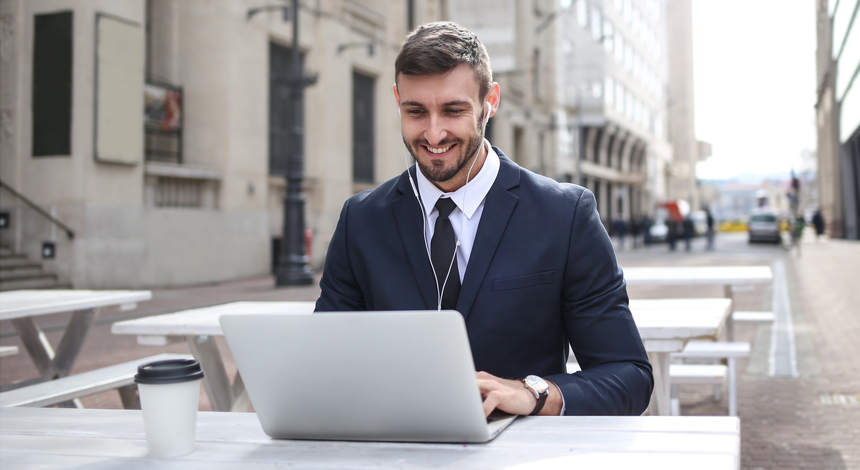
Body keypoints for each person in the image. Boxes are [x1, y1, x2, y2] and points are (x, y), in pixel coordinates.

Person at [315, 22, 652, 417]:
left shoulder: (565, 215)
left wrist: (533, 394)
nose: (434, 133)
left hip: (521, 453)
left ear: (490, 101)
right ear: (397, 101)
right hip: (395, 446)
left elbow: (629, 375)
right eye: (416, 112)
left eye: (453, 110)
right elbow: (326, 360)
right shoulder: (361, 219)